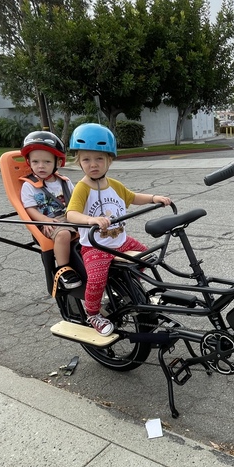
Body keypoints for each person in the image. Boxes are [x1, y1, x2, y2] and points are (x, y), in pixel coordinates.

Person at [66, 123, 171, 337]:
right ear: (79, 161)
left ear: (109, 160)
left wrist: (153, 198)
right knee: (96, 279)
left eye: (99, 159)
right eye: (86, 159)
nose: (93, 164)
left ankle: (131, 291)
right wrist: (90, 219)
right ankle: (93, 313)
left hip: (120, 241)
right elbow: (71, 214)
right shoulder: (82, 187)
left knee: (146, 258)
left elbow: (132, 197)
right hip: (96, 246)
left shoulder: (114, 184)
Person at [19, 131, 82, 291]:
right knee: (63, 234)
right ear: (29, 162)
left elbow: (76, 200)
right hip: (47, 222)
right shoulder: (29, 185)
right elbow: (29, 209)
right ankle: (64, 270)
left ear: (57, 162)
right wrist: (43, 220)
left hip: (68, 216)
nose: (41, 166)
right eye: (35, 161)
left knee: (94, 226)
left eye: (46, 161)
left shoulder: (65, 182)